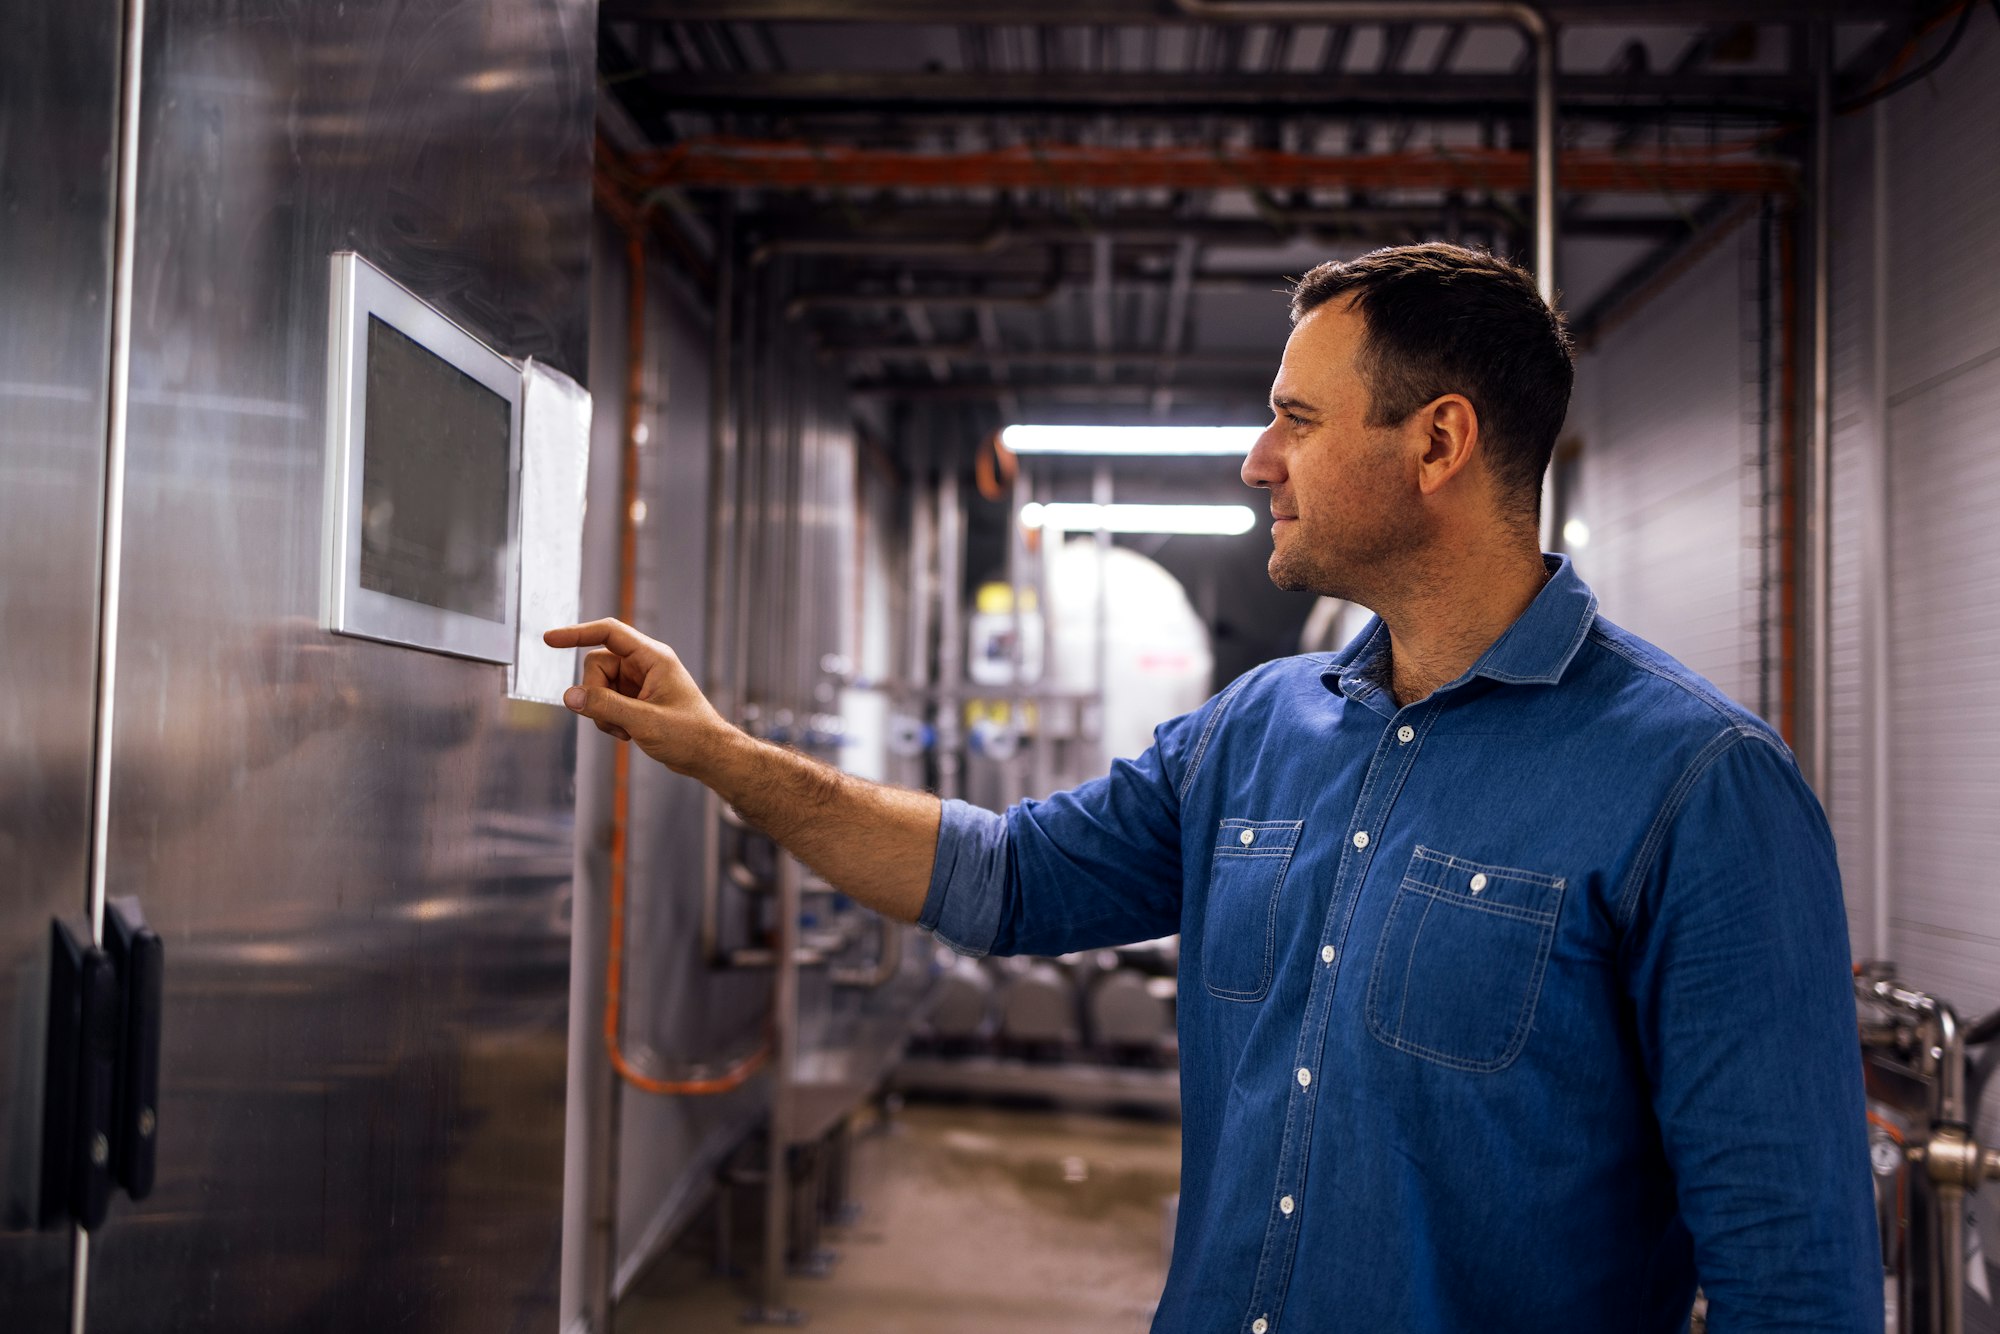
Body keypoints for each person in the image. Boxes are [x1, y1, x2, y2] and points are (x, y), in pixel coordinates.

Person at [546, 243, 1879, 1332]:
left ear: (1439, 442)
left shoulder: (1700, 789)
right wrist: (716, 751)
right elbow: (998, 874)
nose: (1259, 461)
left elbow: (1793, 1287)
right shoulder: (1256, 730)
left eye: (1297, 421)